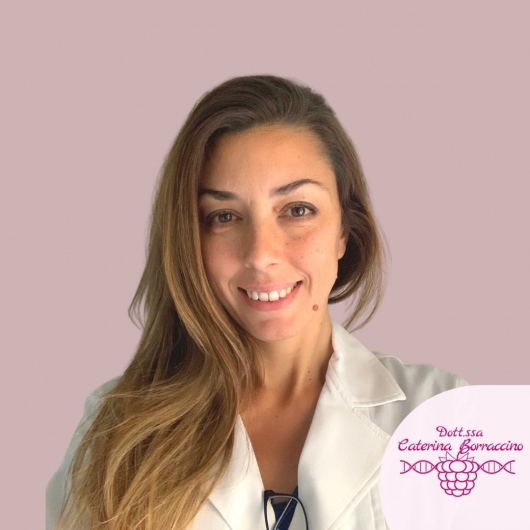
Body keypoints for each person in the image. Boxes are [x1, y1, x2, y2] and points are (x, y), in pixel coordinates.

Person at [46, 75, 467, 530]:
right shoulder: (114, 430)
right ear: (189, 239)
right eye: (224, 216)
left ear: (345, 230)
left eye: (298, 210)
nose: (261, 254)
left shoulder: (449, 417)